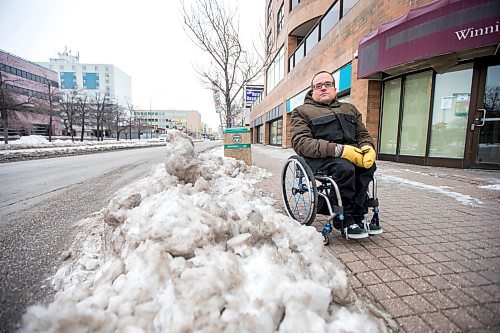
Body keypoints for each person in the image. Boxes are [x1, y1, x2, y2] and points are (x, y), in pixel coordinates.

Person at [290, 70, 382, 239]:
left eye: (328, 84)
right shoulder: (302, 112)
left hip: (352, 154)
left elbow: (362, 134)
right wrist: (339, 150)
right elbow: (301, 143)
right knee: (344, 168)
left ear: (334, 88)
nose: (323, 88)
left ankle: (358, 214)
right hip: (321, 159)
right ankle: (343, 218)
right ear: (312, 90)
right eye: (318, 86)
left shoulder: (349, 109)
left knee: (368, 166)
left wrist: (368, 147)